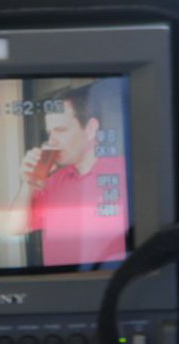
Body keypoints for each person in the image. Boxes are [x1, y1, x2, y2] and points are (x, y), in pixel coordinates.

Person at [10, 79, 129, 270]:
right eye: (49, 132)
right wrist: (28, 185)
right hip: (58, 284)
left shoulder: (124, 173)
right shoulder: (53, 181)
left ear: (90, 129)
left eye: (60, 130)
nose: (52, 141)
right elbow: (16, 228)